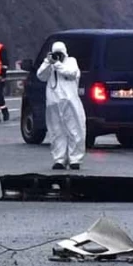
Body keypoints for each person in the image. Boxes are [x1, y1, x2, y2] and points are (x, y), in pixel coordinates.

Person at [37, 41, 85, 170]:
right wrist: (48, 62)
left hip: (70, 102)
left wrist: (57, 64)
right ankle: (59, 159)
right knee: (56, 132)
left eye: (60, 53)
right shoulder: (50, 64)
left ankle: (75, 159)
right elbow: (40, 75)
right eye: (56, 53)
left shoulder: (71, 61)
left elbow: (71, 73)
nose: (58, 56)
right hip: (53, 103)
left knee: (74, 130)